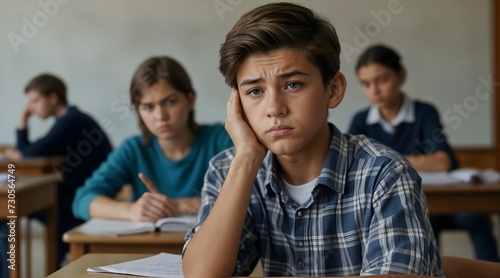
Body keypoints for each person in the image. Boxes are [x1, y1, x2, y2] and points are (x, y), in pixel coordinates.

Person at [182, 3, 442, 277]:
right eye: (255, 91)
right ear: (237, 104)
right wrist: (246, 159)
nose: (274, 108)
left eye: (293, 85)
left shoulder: (385, 174)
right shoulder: (229, 170)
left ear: (333, 90)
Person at [348, 44, 499, 262]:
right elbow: (353, 165)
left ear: (401, 76)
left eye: (382, 80)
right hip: (391, 204)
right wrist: (414, 161)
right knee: (418, 220)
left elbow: (443, 162)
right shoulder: (361, 120)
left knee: (477, 218)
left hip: (439, 202)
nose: (374, 90)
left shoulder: (424, 112)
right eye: (366, 84)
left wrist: (385, 162)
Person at [72, 56, 233, 223]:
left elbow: (250, 196)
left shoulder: (222, 140)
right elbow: (82, 200)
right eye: (148, 107)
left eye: (170, 102)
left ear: (190, 100)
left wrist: (176, 206)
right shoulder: (133, 149)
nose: (160, 116)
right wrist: (130, 210)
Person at [1, 73, 113, 274]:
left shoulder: (71, 121)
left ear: (53, 97)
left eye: (35, 101)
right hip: (78, 192)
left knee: (9, 213)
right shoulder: (70, 119)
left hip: (85, 197)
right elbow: (29, 152)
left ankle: (51, 269)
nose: (31, 108)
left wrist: (22, 120)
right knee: (14, 210)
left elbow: (28, 154)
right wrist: (22, 150)